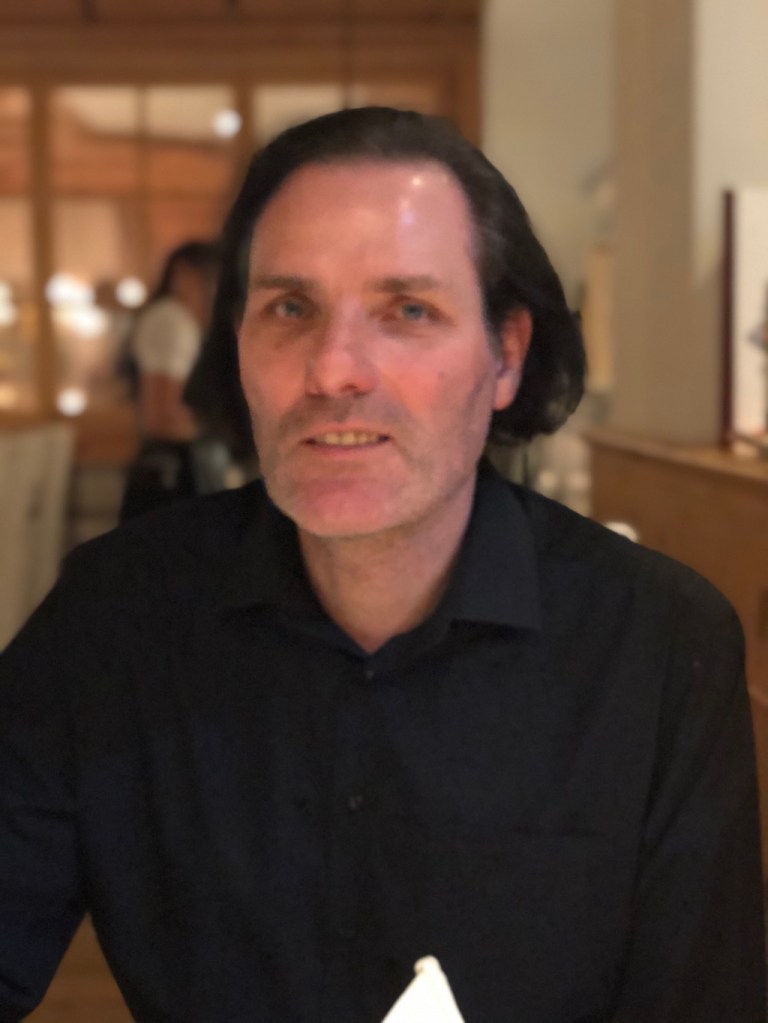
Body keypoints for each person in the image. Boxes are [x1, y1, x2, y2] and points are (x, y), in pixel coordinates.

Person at [0, 107, 764, 1023]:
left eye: (408, 311)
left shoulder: (658, 648)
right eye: (291, 308)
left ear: (506, 354)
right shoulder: (115, 617)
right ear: (239, 344)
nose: (333, 369)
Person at [119, 240, 229, 521]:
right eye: (209, 280)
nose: (214, 292)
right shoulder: (171, 320)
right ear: (184, 275)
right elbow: (163, 417)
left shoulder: (176, 320)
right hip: (173, 476)